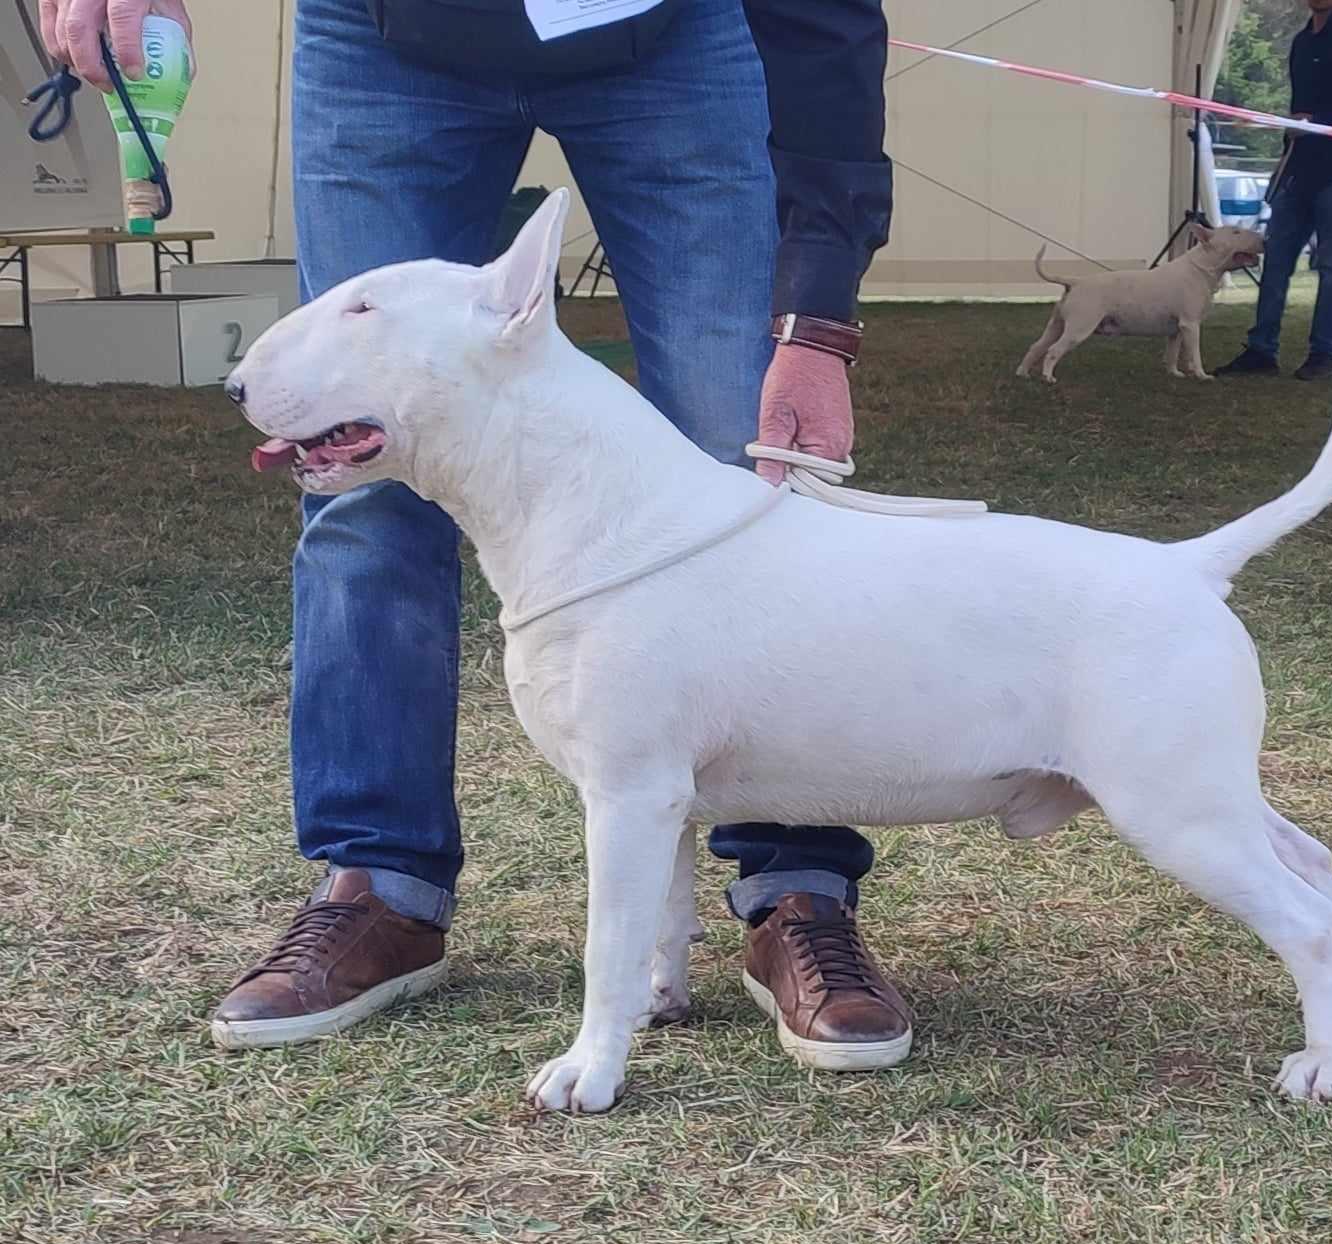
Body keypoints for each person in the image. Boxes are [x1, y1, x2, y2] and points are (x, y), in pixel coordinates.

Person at [43, 0, 913, 1072]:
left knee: (749, 462)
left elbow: (822, 20)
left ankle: (794, 883)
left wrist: (815, 312)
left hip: (675, 36)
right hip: (383, 37)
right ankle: (381, 885)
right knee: (358, 480)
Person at [1217, 0, 1332, 382]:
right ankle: (1261, 349)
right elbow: (1298, 108)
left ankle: (1323, 353)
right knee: (1274, 259)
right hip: (1299, 169)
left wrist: (1317, 123)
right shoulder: (1301, 43)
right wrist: (1291, 129)